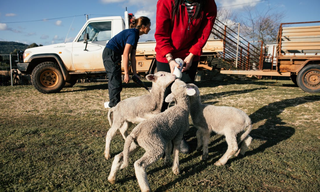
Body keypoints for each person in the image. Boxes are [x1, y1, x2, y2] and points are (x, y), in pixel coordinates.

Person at [154, 0, 217, 152]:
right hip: (166, 55)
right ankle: (161, 134)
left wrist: (192, 55)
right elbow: (161, 34)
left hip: (189, 56)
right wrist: (169, 59)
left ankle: (179, 135)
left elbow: (204, 32)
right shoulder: (166, 2)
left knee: (184, 97)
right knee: (165, 97)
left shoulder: (208, 3)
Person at [103, 16, 151, 108]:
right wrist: (126, 73)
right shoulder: (133, 34)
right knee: (115, 82)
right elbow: (125, 54)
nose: (150, 28)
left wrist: (135, 73)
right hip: (110, 53)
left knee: (116, 82)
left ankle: (113, 104)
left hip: (114, 54)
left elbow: (132, 56)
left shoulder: (135, 35)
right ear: (143, 26)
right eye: (149, 26)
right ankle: (113, 106)